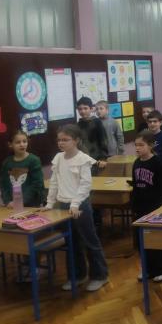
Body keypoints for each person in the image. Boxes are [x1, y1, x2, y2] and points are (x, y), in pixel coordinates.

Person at [44, 124, 109, 292]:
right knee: (71, 242)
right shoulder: (58, 158)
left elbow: (85, 185)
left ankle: (100, 275)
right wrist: (49, 203)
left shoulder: (83, 159)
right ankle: (77, 276)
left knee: (89, 240)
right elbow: (54, 182)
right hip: (63, 206)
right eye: (59, 140)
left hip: (80, 205)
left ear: (76, 140)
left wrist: (75, 203)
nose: (61, 143)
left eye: (65, 140)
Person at [131, 130, 162, 283]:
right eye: (136, 145)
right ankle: (148, 268)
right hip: (141, 208)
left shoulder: (158, 163)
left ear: (150, 145)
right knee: (143, 240)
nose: (137, 148)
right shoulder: (136, 163)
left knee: (157, 239)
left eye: (141, 145)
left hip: (155, 208)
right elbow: (135, 185)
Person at [0, 129, 45, 209]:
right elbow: (3, 184)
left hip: (32, 205)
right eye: (18, 142)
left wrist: (20, 201)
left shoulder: (34, 160)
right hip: (13, 205)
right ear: (10, 144)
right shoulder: (7, 162)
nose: (22, 144)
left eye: (24, 141)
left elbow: (37, 184)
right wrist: (7, 201)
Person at [75, 97, 108, 174]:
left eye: (85, 108)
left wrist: (103, 158)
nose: (83, 111)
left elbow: (103, 140)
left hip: (97, 160)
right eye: (80, 109)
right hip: (83, 160)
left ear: (91, 109)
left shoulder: (97, 122)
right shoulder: (78, 125)